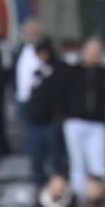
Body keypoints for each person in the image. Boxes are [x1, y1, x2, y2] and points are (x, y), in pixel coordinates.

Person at [59, 38, 105, 200]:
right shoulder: (72, 71)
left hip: (97, 124)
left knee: (99, 163)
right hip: (75, 122)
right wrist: (65, 117)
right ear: (84, 50)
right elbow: (60, 94)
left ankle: (101, 199)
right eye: (91, 49)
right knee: (78, 164)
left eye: (97, 50)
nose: (94, 53)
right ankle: (80, 200)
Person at [19, 40, 65, 191]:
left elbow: (58, 95)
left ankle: (58, 190)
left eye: (44, 53)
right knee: (36, 160)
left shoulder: (58, 69)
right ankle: (43, 190)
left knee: (56, 160)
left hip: (51, 122)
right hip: (36, 123)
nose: (42, 56)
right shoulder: (37, 71)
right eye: (39, 53)